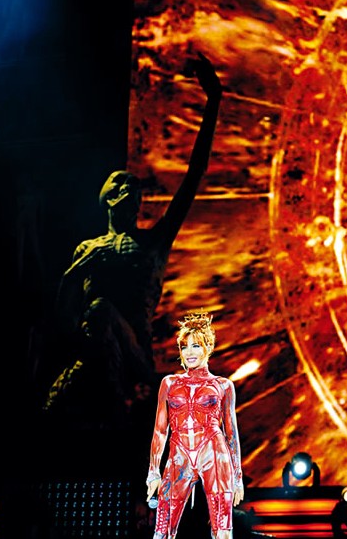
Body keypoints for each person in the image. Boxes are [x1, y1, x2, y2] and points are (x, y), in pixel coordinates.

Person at [42, 52, 222, 428]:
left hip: (135, 354)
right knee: (50, 410)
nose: (131, 191)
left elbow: (193, 178)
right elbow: (64, 301)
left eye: (135, 188)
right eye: (122, 185)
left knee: (102, 310)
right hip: (94, 349)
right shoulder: (88, 250)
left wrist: (214, 101)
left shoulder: (151, 244)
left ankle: (117, 410)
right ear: (107, 198)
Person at [146, 311, 244, 539]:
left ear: (208, 348)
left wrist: (238, 477)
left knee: (222, 530)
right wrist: (153, 472)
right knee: (162, 530)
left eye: (196, 346)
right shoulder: (169, 383)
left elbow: (231, 434)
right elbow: (160, 430)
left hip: (214, 454)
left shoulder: (223, 385)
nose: (189, 352)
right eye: (184, 347)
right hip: (179, 455)